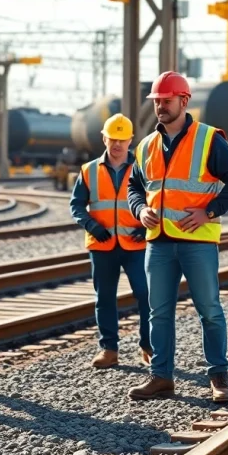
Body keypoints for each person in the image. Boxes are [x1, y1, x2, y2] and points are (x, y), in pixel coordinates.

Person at [125, 71, 228, 402]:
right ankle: (161, 377)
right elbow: (134, 186)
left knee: (209, 309)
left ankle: (219, 378)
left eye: (166, 101)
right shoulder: (146, 145)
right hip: (159, 242)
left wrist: (209, 211)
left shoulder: (209, 139)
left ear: (183, 101)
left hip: (197, 242)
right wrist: (139, 210)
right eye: (157, 102)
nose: (161, 107)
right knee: (158, 312)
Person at [69, 113, 152, 369]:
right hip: (102, 245)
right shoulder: (88, 170)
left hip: (135, 244)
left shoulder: (143, 169)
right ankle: (109, 349)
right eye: (112, 139)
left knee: (146, 294)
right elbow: (76, 206)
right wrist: (91, 224)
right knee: (104, 297)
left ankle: (148, 346)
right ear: (104, 138)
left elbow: (157, 201)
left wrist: (146, 229)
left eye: (122, 140)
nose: (117, 145)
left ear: (130, 140)